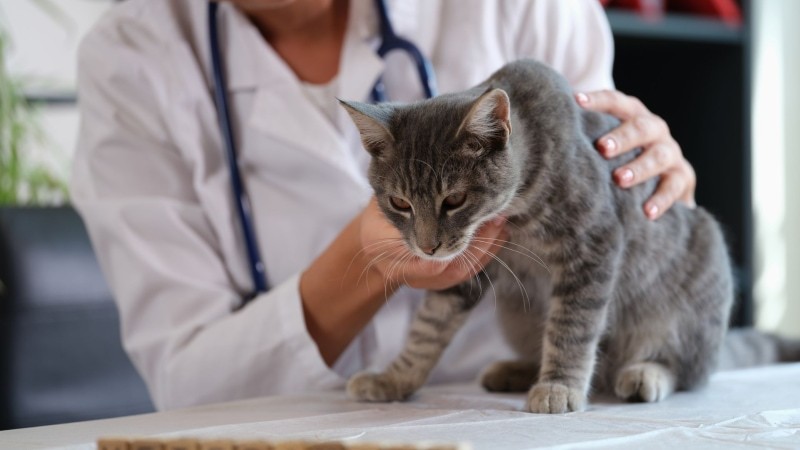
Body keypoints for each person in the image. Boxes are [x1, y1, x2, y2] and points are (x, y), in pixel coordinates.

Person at [72, 0, 697, 411]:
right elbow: (188, 384)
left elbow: (602, 219)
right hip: (292, 422)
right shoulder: (132, 58)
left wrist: (652, 177)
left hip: (511, 414)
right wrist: (370, 259)